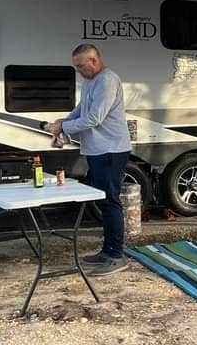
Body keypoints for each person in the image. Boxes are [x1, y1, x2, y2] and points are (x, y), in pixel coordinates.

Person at [44, 44, 131, 275]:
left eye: (81, 66)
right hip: (97, 150)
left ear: (94, 60)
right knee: (103, 201)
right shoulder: (91, 81)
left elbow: (94, 117)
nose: (79, 71)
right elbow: (82, 108)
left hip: (110, 150)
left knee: (110, 201)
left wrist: (64, 127)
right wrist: (64, 121)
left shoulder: (107, 80)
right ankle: (107, 251)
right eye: (76, 67)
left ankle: (116, 255)